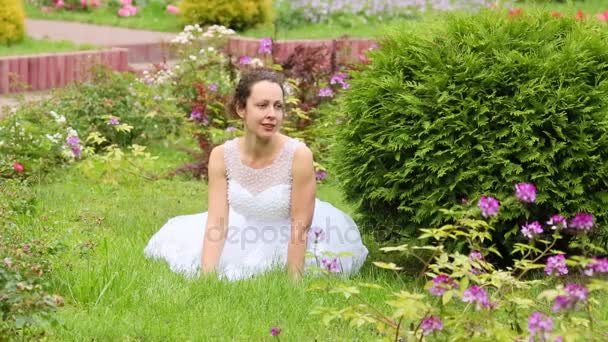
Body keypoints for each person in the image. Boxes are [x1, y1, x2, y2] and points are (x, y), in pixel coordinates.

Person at [144, 69, 368, 281]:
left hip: (295, 234)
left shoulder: (299, 155)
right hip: (244, 229)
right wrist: (207, 278)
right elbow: (217, 222)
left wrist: (293, 283)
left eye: (278, 106)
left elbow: (300, 226)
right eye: (262, 105)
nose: (272, 114)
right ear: (242, 109)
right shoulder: (221, 156)